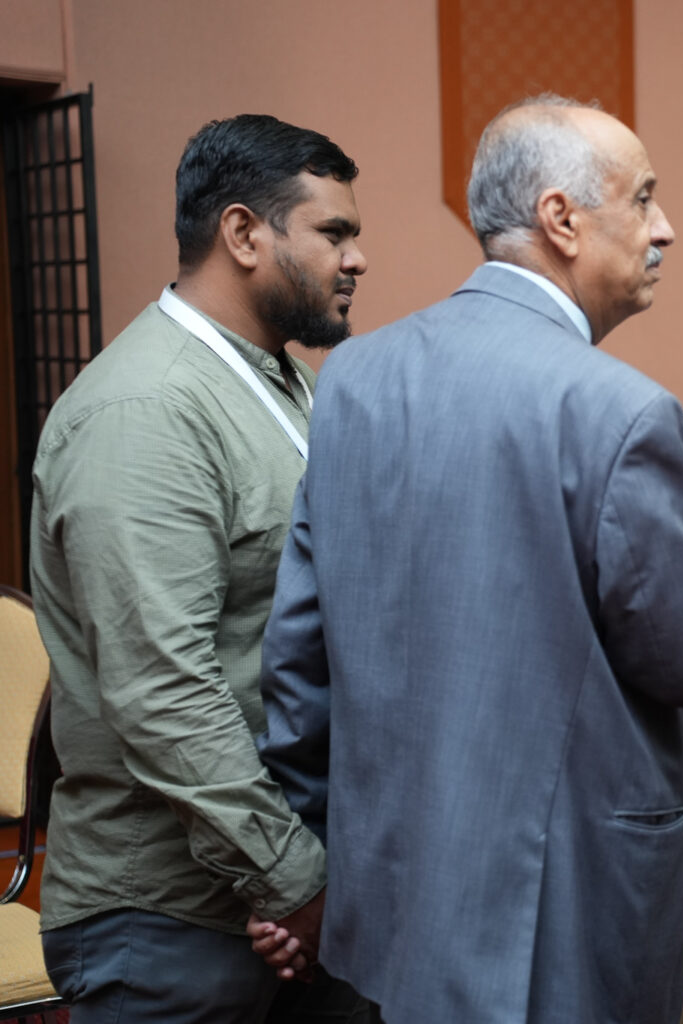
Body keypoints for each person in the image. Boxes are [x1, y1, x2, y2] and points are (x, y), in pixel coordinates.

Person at [249, 96, 683, 1023]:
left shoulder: (355, 378)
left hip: (388, 902)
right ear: (561, 219)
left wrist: (314, 862)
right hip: (562, 912)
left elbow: (299, 658)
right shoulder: (619, 410)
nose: (665, 229)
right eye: (643, 199)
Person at [29, 114, 371, 1022]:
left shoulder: (284, 385)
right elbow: (163, 690)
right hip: (171, 924)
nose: (357, 259)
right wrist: (296, 885)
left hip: (294, 892)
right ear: (244, 233)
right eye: (333, 232)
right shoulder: (146, 410)